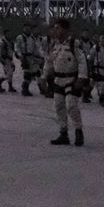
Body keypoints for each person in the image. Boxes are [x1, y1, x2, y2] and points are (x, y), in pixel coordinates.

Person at [44, 18, 90, 146]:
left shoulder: (74, 44)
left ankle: (78, 130)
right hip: (58, 80)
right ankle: (63, 133)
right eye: (55, 28)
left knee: (71, 105)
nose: (55, 30)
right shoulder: (55, 45)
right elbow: (49, 61)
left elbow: (82, 61)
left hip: (72, 79)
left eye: (58, 28)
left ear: (65, 30)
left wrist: (81, 78)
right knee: (59, 105)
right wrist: (45, 76)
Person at [16, 26, 44, 95]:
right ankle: (25, 89)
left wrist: (40, 56)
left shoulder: (32, 38)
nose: (27, 30)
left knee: (36, 72)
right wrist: (20, 57)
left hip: (32, 57)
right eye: (26, 28)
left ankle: (40, 88)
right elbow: (17, 48)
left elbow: (36, 49)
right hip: (24, 57)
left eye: (29, 28)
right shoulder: (20, 37)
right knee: (28, 73)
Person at [0, 24, 18, 92]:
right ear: (5, 34)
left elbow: (12, 51)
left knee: (10, 74)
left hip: (10, 59)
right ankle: (0, 81)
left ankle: (10, 86)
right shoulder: (2, 42)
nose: (9, 35)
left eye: (10, 34)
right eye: (8, 34)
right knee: (9, 73)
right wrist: (1, 59)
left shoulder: (11, 42)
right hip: (5, 59)